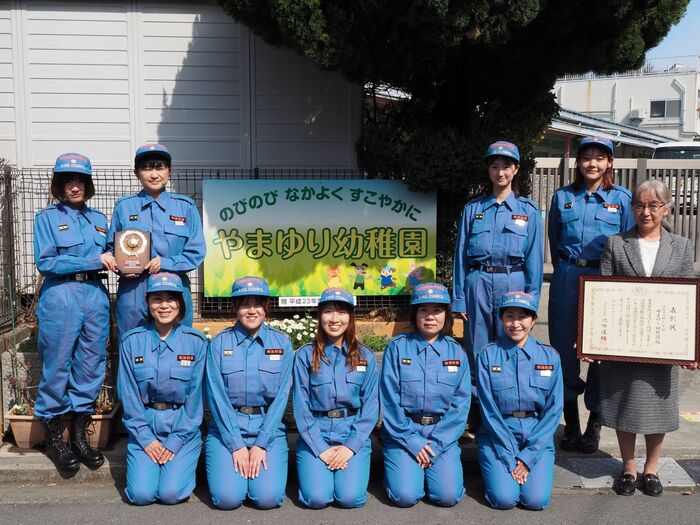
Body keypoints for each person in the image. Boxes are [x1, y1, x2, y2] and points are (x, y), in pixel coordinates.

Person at [596, 179, 698, 497]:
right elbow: (602, 293)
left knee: (658, 408)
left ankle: (651, 469)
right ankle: (628, 467)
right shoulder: (616, 243)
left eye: (654, 205)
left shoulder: (681, 246)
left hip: (663, 342)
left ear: (667, 209)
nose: (646, 212)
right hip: (624, 340)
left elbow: (688, 300)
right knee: (624, 403)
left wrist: (692, 346)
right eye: (639, 205)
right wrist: (594, 338)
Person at [548, 136, 634, 453]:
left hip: (604, 279)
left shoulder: (622, 199)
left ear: (610, 163)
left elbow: (628, 244)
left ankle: (594, 424)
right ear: (578, 162)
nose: (592, 163)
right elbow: (555, 239)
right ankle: (571, 423)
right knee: (563, 350)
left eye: (600, 158)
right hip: (568, 276)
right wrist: (565, 269)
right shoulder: (562, 197)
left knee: (600, 351)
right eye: (587, 157)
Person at [33, 153, 113, 472]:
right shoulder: (46, 218)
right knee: (56, 364)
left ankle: (80, 437)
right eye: (68, 181)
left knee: (91, 363)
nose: (75, 186)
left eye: (80, 180)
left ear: (88, 184)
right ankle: (54, 440)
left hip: (94, 294)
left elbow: (113, 253)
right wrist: (95, 260)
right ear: (59, 185)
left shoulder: (100, 220)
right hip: (61, 294)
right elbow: (47, 262)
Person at [452, 141, 544, 398]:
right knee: (477, 345)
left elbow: (534, 261)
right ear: (488, 170)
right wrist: (459, 299)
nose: (500, 172)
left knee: (511, 343)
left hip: (513, 282)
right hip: (478, 282)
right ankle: (477, 405)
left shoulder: (528, 211)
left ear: (516, 170)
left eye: (506, 166)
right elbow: (460, 256)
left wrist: (532, 301)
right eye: (495, 166)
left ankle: (508, 401)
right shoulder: (473, 210)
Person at [117, 272, 206, 505]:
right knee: (141, 495)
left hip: (182, 427)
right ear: (147, 303)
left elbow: (196, 399)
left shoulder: (196, 342)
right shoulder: (132, 341)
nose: (164, 305)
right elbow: (128, 395)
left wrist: (176, 440)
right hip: (144, 425)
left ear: (180, 303)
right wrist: (146, 439)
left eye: (171, 299)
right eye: (157, 299)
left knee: (171, 493)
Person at [205, 276, 293, 509]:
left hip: (268, 429)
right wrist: (236, 444)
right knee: (227, 499)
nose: (252, 311)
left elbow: (281, 397)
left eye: (258, 304)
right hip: (227, 429)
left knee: (268, 499)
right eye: (245, 304)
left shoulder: (282, 343)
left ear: (266, 307)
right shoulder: (219, 344)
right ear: (235, 307)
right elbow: (216, 396)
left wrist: (261, 443)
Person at [379, 282, 471, 507]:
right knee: (405, 496)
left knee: (448, 496)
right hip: (403, 433)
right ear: (415, 314)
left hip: (442, 434)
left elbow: (461, 404)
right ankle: (398, 473)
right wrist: (412, 441)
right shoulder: (397, 348)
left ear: (446, 314)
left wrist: (436, 445)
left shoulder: (457, 353)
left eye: (437, 310)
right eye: (424, 310)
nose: (430, 316)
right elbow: (389, 400)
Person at [107, 144, 205, 340]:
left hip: (173, 289)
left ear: (169, 171)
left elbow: (196, 252)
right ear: (137, 173)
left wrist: (166, 263)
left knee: (177, 345)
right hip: (134, 290)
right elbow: (112, 248)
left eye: (159, 167)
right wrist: (120, 266)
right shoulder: (124, 207)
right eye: (146, 168)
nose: (154, 174)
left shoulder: (185, 207)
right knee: (131, 344)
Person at [293, 288, 379, 509]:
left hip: (352, 432)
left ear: (350, 317)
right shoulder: (305, 355)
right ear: (319, 316)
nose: (334, 319)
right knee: (316, 498)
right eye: (328, 312)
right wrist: (321, 448)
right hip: (316, 433)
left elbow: (370, 408)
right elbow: (301, 406)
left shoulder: (365, 357)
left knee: (349, 498)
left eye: (341, 312)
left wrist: (350, 447)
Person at [476, 292, 563, 510]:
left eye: (522, 316)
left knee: (536, 501)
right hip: (497, 434)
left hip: (536, 435)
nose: (515, 324)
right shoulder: (488, 355)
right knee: (504, 499)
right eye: (509, 316)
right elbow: (488, 410)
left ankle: (521, 469)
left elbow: (554, 410)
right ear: (501, 319)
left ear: (533, 320)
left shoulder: (550, 357)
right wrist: (509, 456)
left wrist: (527, 457)